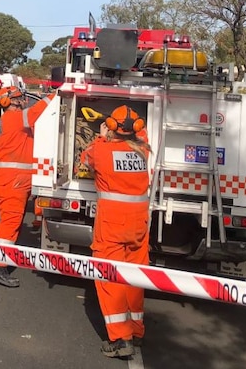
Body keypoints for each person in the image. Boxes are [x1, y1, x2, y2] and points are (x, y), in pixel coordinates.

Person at [79, 105, 152, 358]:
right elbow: (141, 136)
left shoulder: (101, 148)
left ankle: (121, 339)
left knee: (109, 277)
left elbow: (84, 160)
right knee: (134, 277)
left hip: (112, 224)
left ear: (111, 126)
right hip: (139, 224)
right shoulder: (143, 148)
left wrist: (101, 136)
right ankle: (136, 331)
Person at [0, 86, 54, 288]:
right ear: (14, 101)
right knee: (10, 222)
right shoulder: (14, 118)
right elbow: (36, 111)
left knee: (12, 220)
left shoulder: (13, 120)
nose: (25, 100)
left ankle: (0, 263)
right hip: (11, 180)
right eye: (21, 98)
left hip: (14, 179)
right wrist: (55, 95)